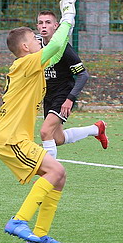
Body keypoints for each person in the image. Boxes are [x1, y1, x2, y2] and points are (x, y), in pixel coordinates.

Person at [0, 0, 78, 243]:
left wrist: (68, 23)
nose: (39, 38)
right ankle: (18, 220)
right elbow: (54, 46)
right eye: (34, 37)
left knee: (59, 177)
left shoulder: (32, 63)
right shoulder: (26, 62)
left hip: (14, 138)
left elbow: (57, 50)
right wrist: (67, 17)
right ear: (25, 47)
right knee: (57, 170)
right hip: (11, 139)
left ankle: (40, 236)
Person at [36, 11, 108, 159]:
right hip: (48, 95)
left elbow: (83, 75)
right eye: (40, 22)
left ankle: (50, 170)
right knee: (57, 139)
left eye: (48, 22)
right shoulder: (36, 45)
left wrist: (70, 98)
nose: (44, 26)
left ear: (56, 26)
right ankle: (96, 129)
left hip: (63, 95)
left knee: (45, 132)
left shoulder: (63, 48)